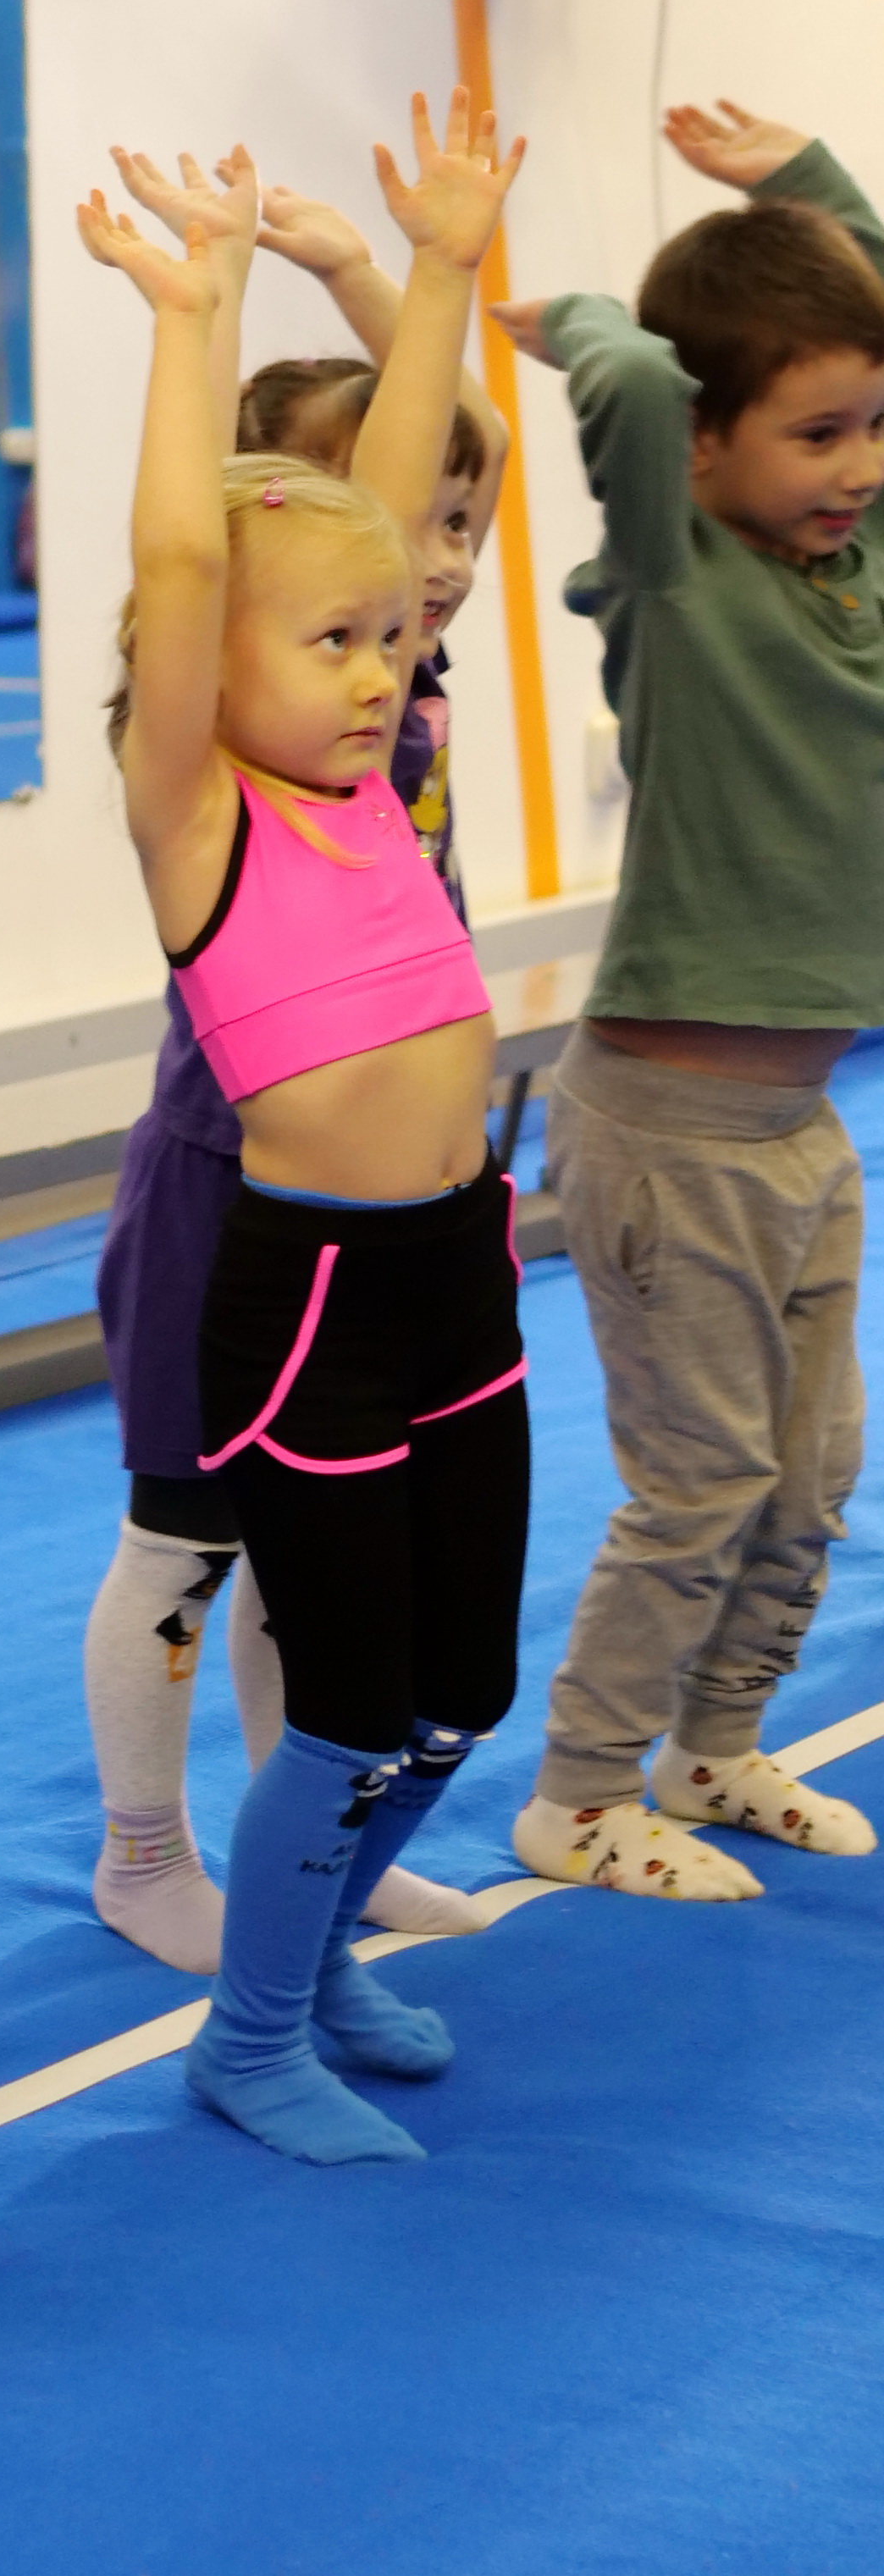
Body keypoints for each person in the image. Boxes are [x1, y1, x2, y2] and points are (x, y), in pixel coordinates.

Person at [85, 89, 528, 2164]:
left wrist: (435, 267)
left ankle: (317, 1948)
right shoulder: (202, 815)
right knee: (344, 1702)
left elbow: (384, 497)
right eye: (329, 642)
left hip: (457, 1266)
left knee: (456, 1694)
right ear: (198, 669)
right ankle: (250, 2034)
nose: (374, 673)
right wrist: (191, 319)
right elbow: (190, 554)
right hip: (316, 1294)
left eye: (388, 636)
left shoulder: (372, 768)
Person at [493, 96, 884, 1896]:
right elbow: (642, 390)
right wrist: (580, 320)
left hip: (801, 1122)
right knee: (705, 1477)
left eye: (872, 425)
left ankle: (714, 1746)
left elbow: (848, 348)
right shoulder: (676, 579)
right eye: (815, 434)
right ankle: (578, 1792)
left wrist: (806, 191)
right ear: (708, 443)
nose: (856, 464)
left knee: (811, 1477)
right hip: (667, 1130)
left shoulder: (854, 572)